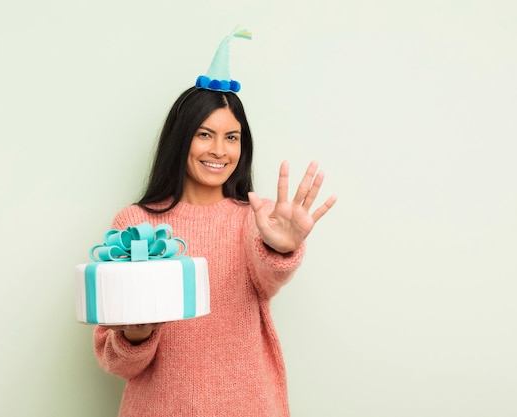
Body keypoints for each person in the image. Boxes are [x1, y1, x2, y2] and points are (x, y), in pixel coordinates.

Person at [93, 85, 337, 417]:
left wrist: (281, 249)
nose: (220, 150)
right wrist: (136, 336)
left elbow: (269, 277)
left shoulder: (258, 218)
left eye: (232, 137)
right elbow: (117, 364)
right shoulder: (135, 224)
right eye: (205, 134)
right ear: (180, 139)